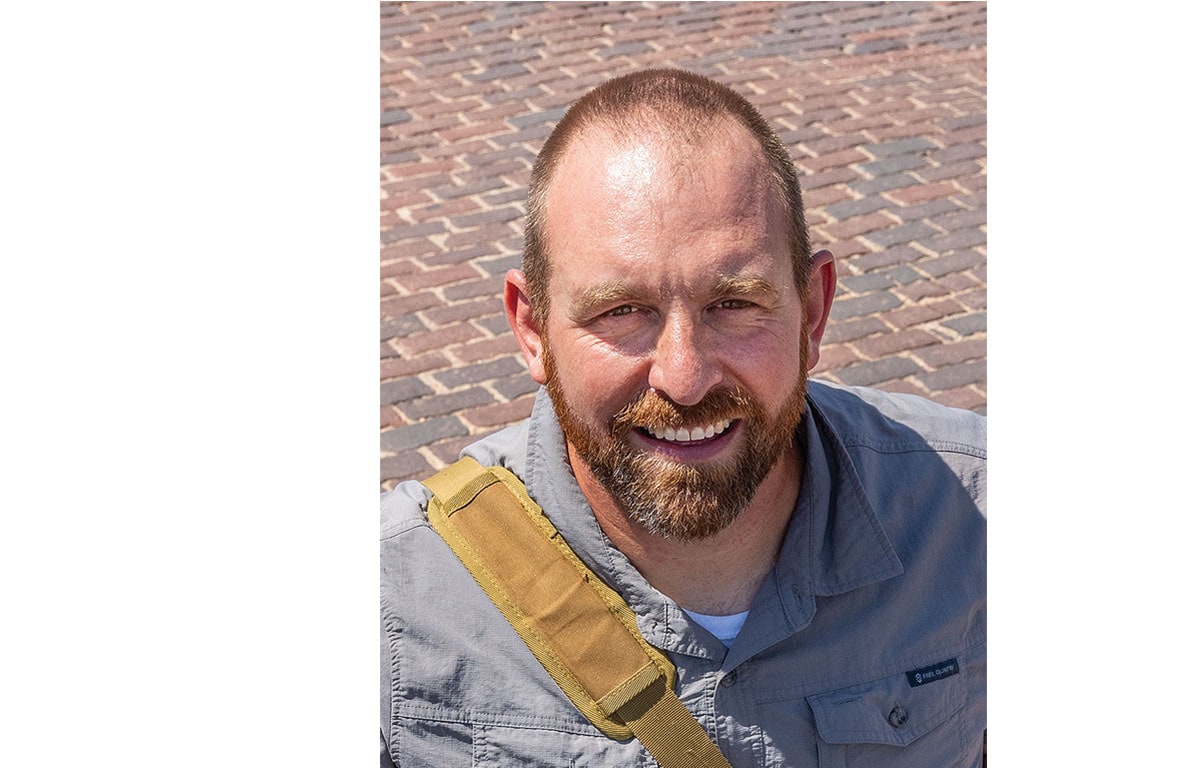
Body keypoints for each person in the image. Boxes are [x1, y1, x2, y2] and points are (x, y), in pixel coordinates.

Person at [381, 68, 986, 767]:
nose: (685, 378)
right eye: (621, 312)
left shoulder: (976, 517)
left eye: (733, 304)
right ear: (533, 330)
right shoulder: (392, 599)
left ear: (813, 313)